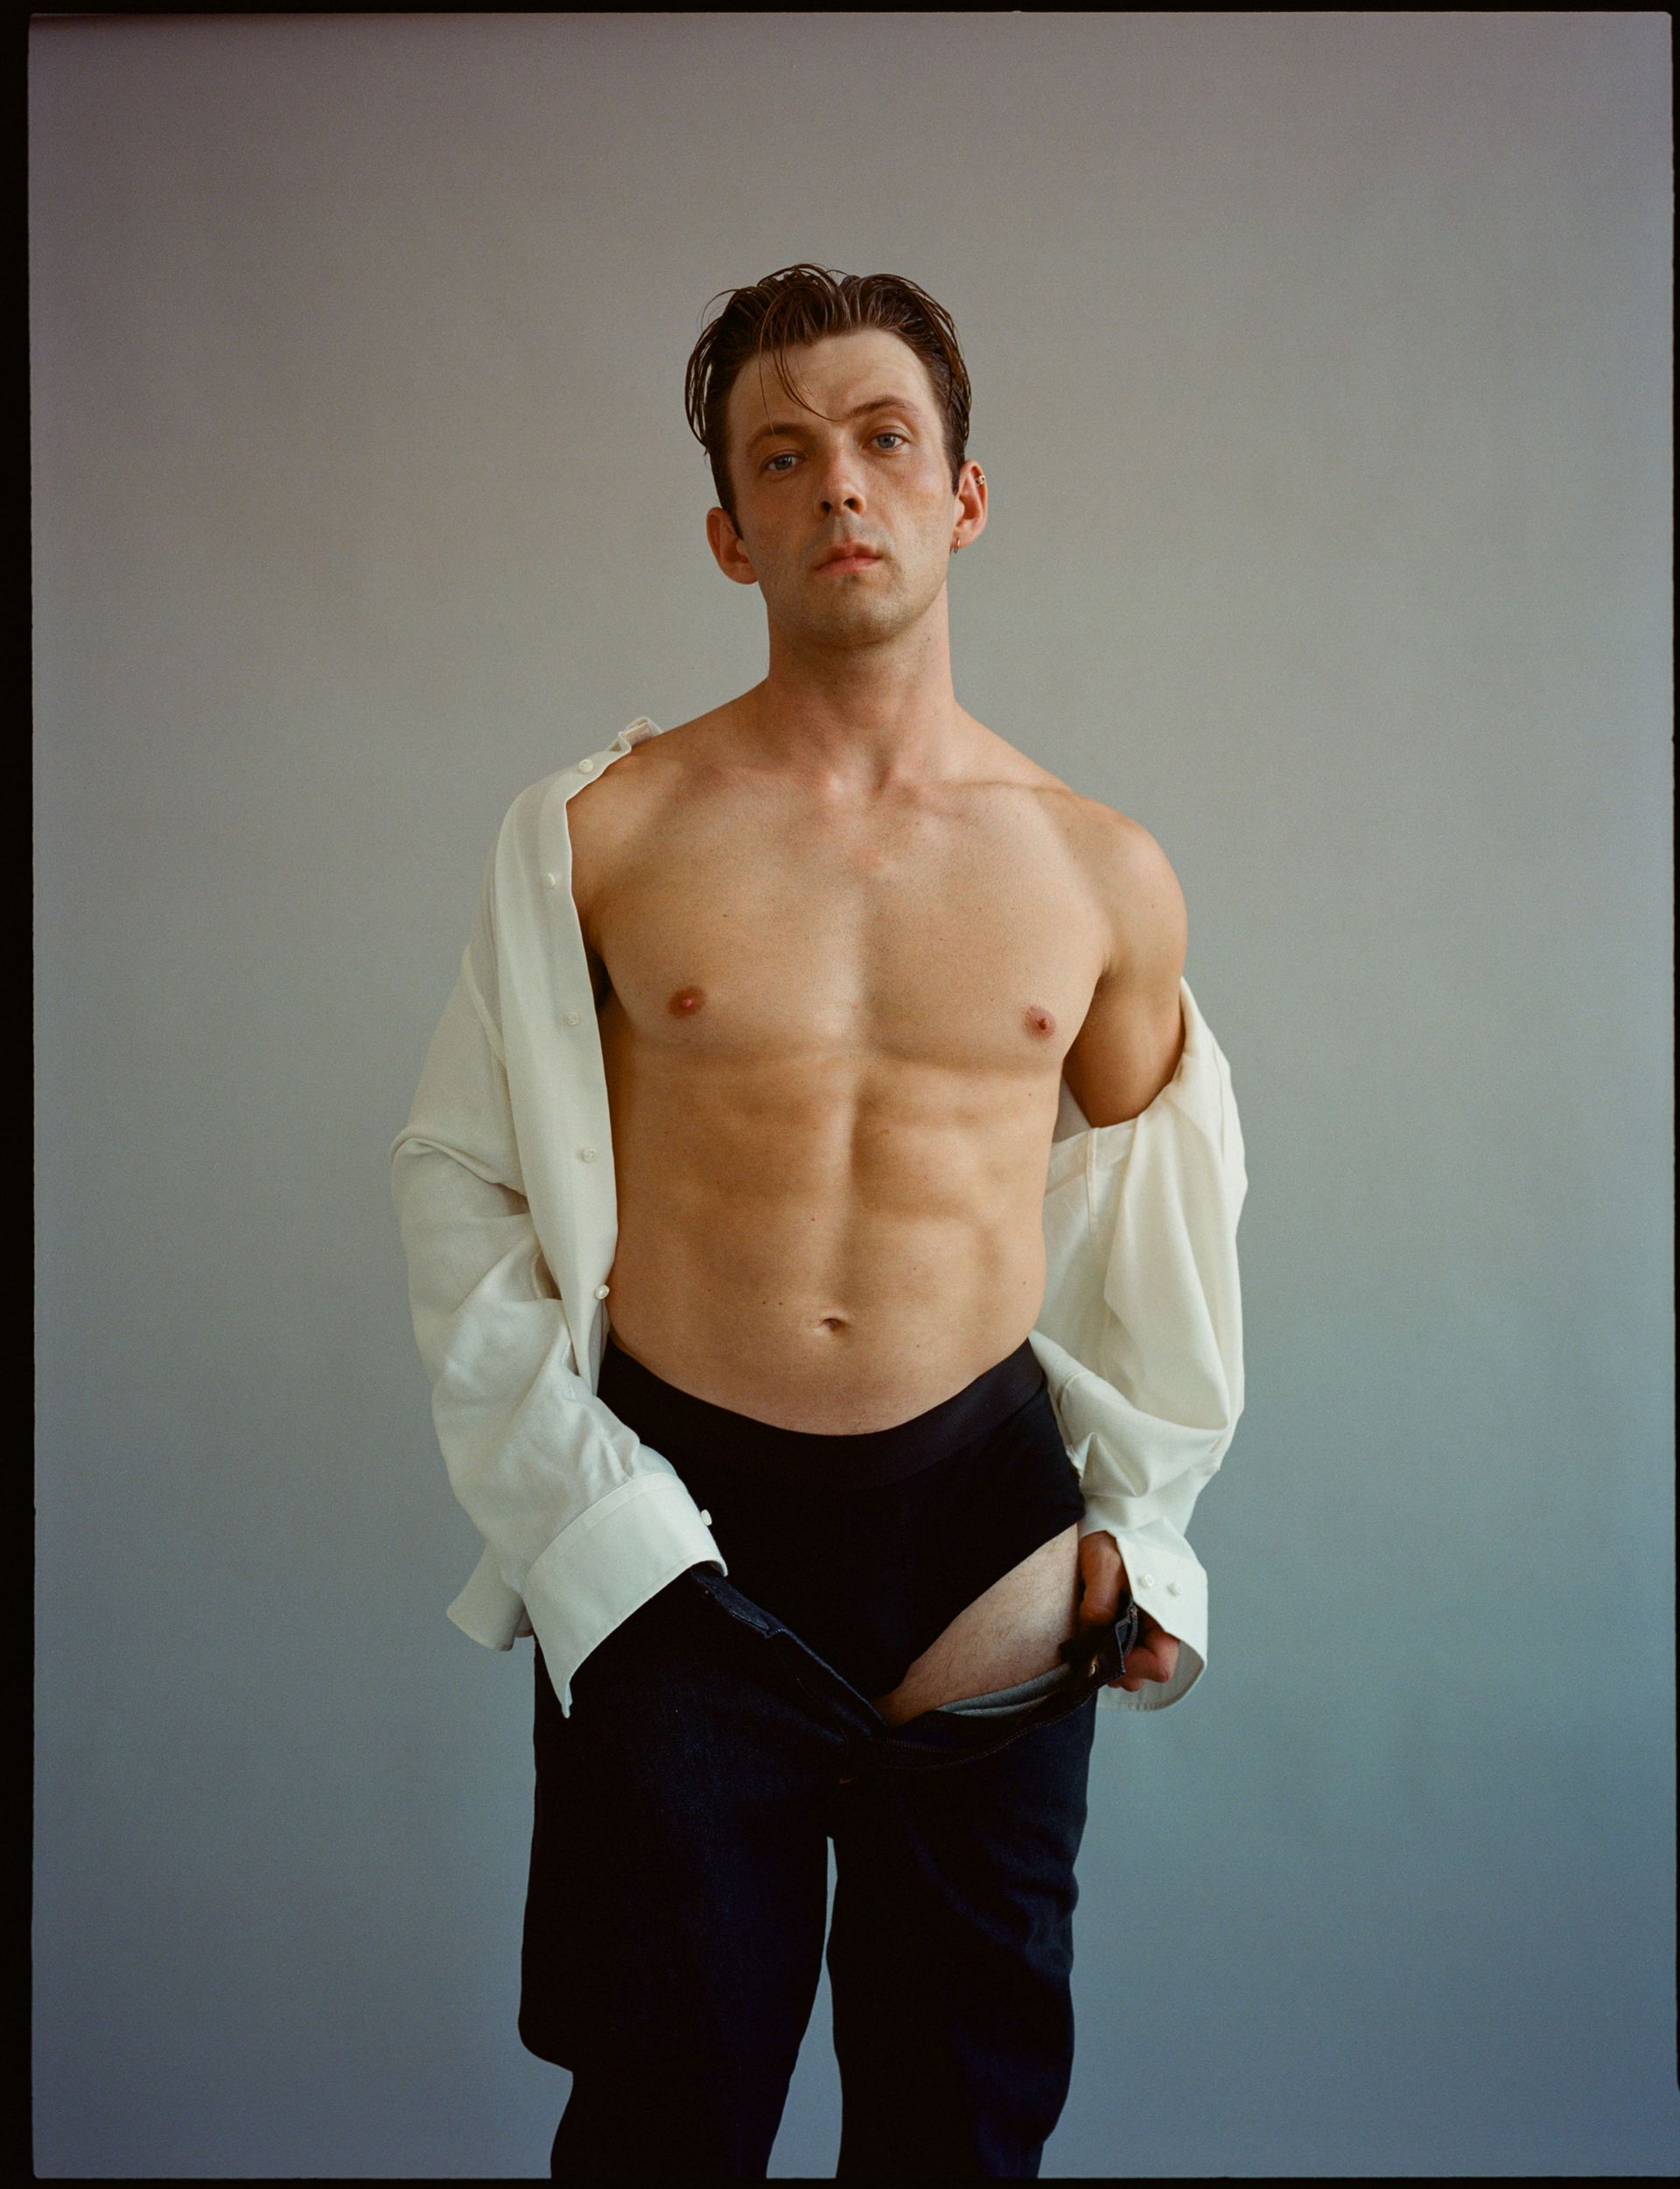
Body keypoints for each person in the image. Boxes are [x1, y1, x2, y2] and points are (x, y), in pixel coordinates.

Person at [388, 263, 1248, 2178]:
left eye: (883, 440)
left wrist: (1146, 1530)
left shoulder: (1099, 870)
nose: (837, 486)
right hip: (683, 1533)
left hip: (985, 1554)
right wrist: (579, 1518)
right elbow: (463, 1185)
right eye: (783, 456)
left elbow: (1157, 1219)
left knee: (959, 2133)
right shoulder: (600, 833)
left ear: (964, 496)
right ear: (729, 528)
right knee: (664, 2118)